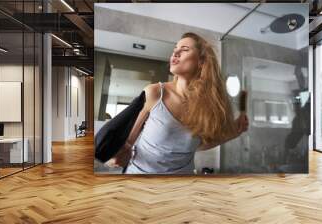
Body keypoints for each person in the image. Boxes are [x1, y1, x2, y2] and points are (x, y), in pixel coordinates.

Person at [106, 32, 249, 174]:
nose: (175, 53)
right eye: (175, 50)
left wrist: (233, 133)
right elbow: (128, 142)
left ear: (201, 62)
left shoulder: (206, 107)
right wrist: (119, 152)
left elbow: (196, 146)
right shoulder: (154, 93)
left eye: (185, 49)